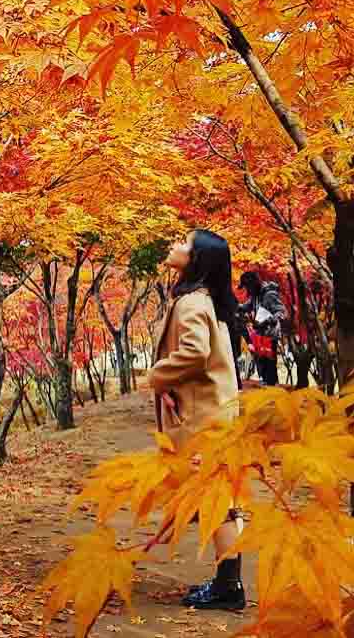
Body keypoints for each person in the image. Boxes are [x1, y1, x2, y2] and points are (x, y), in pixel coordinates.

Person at [149, 229, 245, 611]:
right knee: (222, 499)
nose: (175, 244)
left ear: (198, 260)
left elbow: (194, 352)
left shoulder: (191, 302)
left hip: (202, 419)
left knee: (214, 502)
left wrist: (158, 376)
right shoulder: (207, 301)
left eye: (185, 243)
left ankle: (229, 588)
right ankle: (228, 581)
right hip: (213, 411)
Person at [238, 271, 286, 387]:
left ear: (252, 284)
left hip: (269, 336)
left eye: (246, 287)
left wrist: (268, 321)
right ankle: (268, 391)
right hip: (259, 336)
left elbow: (281, 312)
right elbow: (245, 307)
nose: (246, 290)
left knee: (269, 369)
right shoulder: (255, 295)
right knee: (263, 368)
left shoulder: (269, 294)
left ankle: (273, 393)